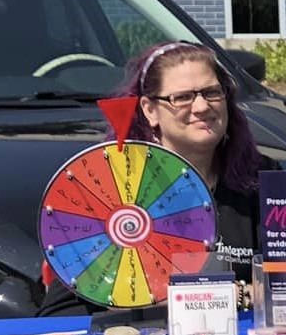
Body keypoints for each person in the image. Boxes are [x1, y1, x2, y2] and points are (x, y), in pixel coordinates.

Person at [41, 40, 272, 314]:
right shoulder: (108, 188)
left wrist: (236, 296)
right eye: (182, 97)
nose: (201, 106)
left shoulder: (260, 179)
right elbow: (56, 314)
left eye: (212, 92)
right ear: (150, 110)